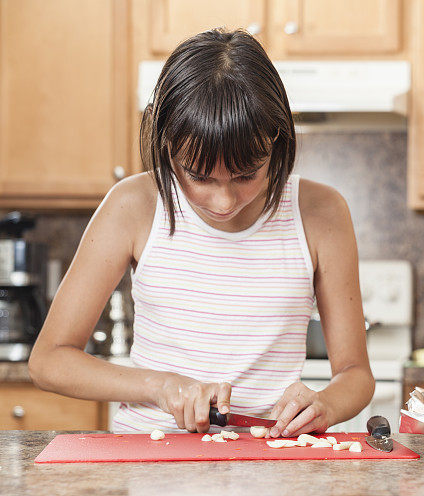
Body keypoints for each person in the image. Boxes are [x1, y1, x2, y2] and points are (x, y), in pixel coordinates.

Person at [28, 29, 374, 436]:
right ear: (167, 144)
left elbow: (356, 374)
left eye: (247, 175)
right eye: (199, 176)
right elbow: (49, 359)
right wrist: (161, 386)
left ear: (277, 140)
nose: (224, 202)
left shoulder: (322, 212)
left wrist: (325, 405)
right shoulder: (133, 205)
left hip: (270, 464)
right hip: (152, 461)